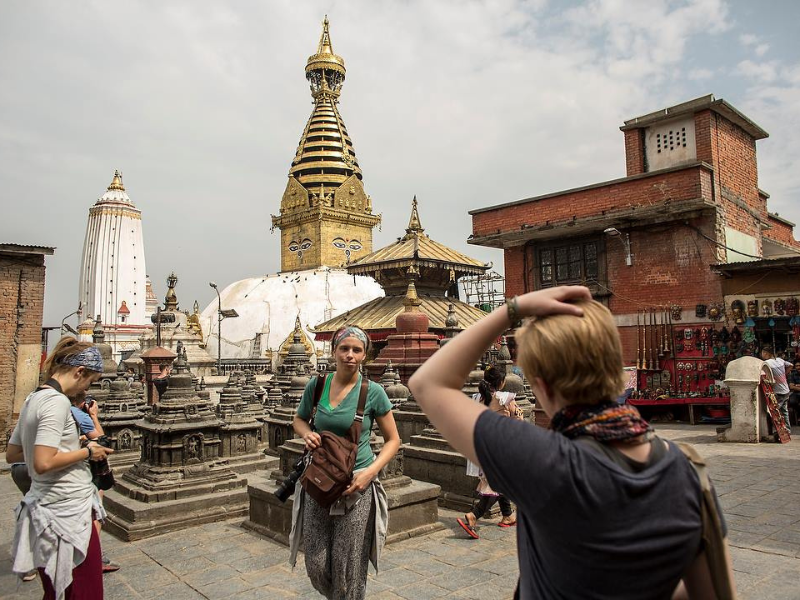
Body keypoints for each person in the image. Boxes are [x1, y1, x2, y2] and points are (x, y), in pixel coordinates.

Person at [409, 286, 731, 599]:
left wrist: (513, 310)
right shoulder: (686, 469)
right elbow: (710, 591)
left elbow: (427, 383)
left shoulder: (544, 459)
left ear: (543, 386)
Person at [289, 325, 400, 600]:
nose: (350, 355)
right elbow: (299, 420)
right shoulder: (317, 386)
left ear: (364, 356)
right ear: (334, 351)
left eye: (357, 350)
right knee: (316, 564)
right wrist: (307, 434)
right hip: (319, 479)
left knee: (347, 565)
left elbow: (393, 440)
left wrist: (370, 474)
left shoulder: (373, 392)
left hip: (356, 485)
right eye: (344, 348)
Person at [7, 337, 114, 599]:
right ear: (79, 372)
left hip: (45, 509)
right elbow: (43, 462)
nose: (87, 388)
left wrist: (65, 447)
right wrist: (88, 451)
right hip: (66, 514)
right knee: (85, 592)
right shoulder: (57, 402)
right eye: (89, 381)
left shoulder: (34, 397)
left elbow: (13, 453)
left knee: (56, 591)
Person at [458, 365, 518, 538]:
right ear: (501, 382)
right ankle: (474, 515)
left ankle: (507, 515)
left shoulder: (477, 397)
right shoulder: (505, 398)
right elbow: (519, 419)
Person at [69, 392, 120, 574]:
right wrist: (93, 416)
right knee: (94, 510)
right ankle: (93, 553)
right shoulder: (78, 414)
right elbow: (101, 439)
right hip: (82, 470)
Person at [762, 345, 793, 434]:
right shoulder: (780, 360)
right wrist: (784, 375)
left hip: (778, 391)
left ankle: (778, 431)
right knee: (784, 411)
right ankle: (788, 429)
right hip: (786, 389)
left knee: (775, 411)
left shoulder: (767, 363)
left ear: (766, 353)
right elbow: (791, 365)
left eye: (763, 353)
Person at [788, 358, 800, 427]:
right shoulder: (792, 375)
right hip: (795, 393)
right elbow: (791, 387)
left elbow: (794, 385)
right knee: (792, 402)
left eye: (799, 366)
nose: (798, 367)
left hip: (797, 390)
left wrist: (796, 385)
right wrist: (795, 386)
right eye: (797, 366)